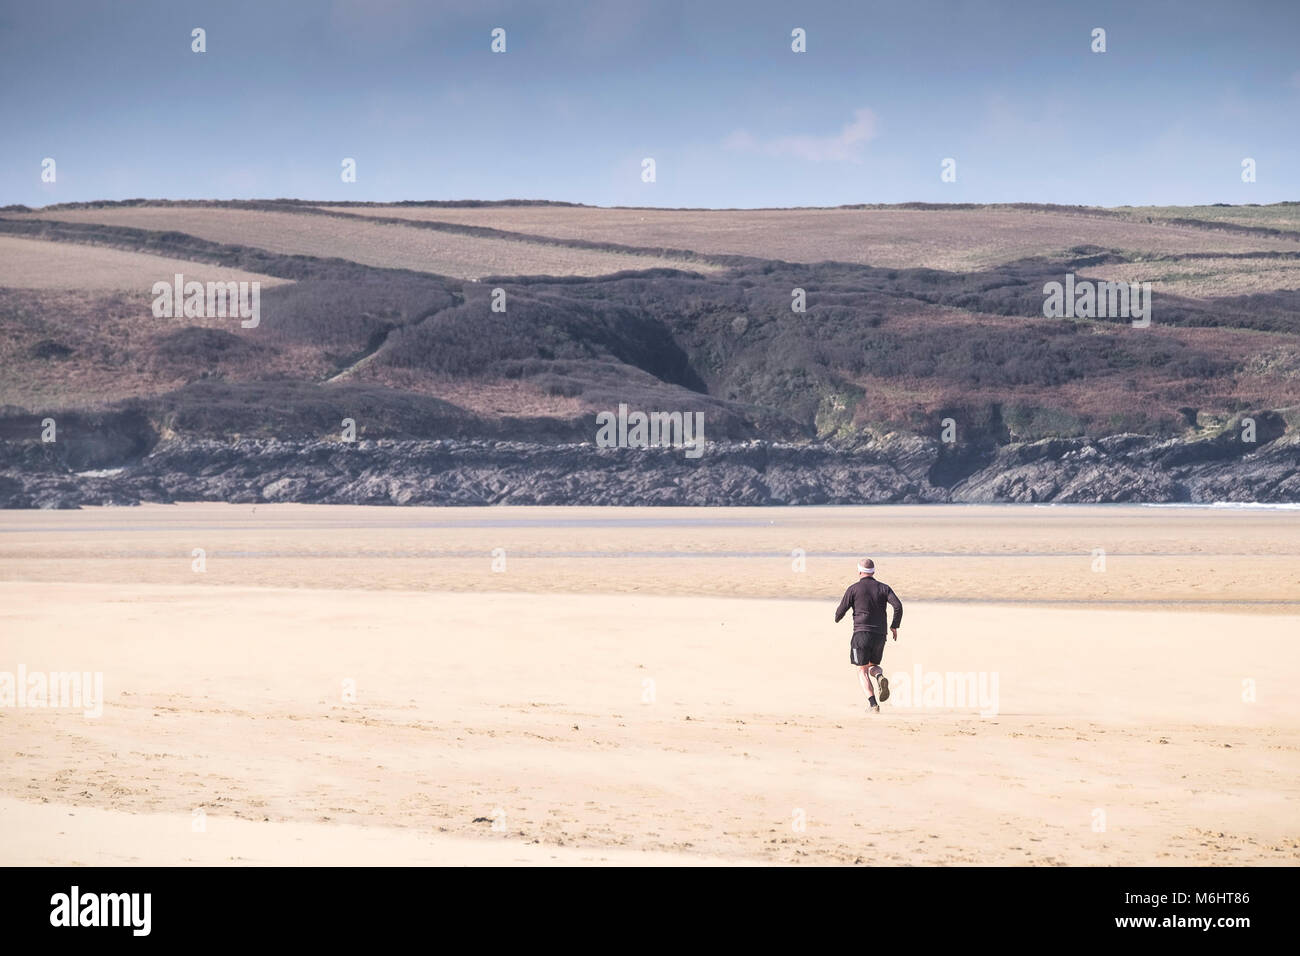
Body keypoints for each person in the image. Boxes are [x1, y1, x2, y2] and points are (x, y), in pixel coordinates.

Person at [833, 558, 902, 713]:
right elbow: (898, 606)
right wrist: (894, 626)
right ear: (874, 572)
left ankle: (873, 705)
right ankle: (879, 677)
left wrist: (837, 618)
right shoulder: (884, 588)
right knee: (873, 666)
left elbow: (840, 611)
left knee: (862, 670)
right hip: (879, 635)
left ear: (859, 572)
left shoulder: (853, 589)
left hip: (861, 634)